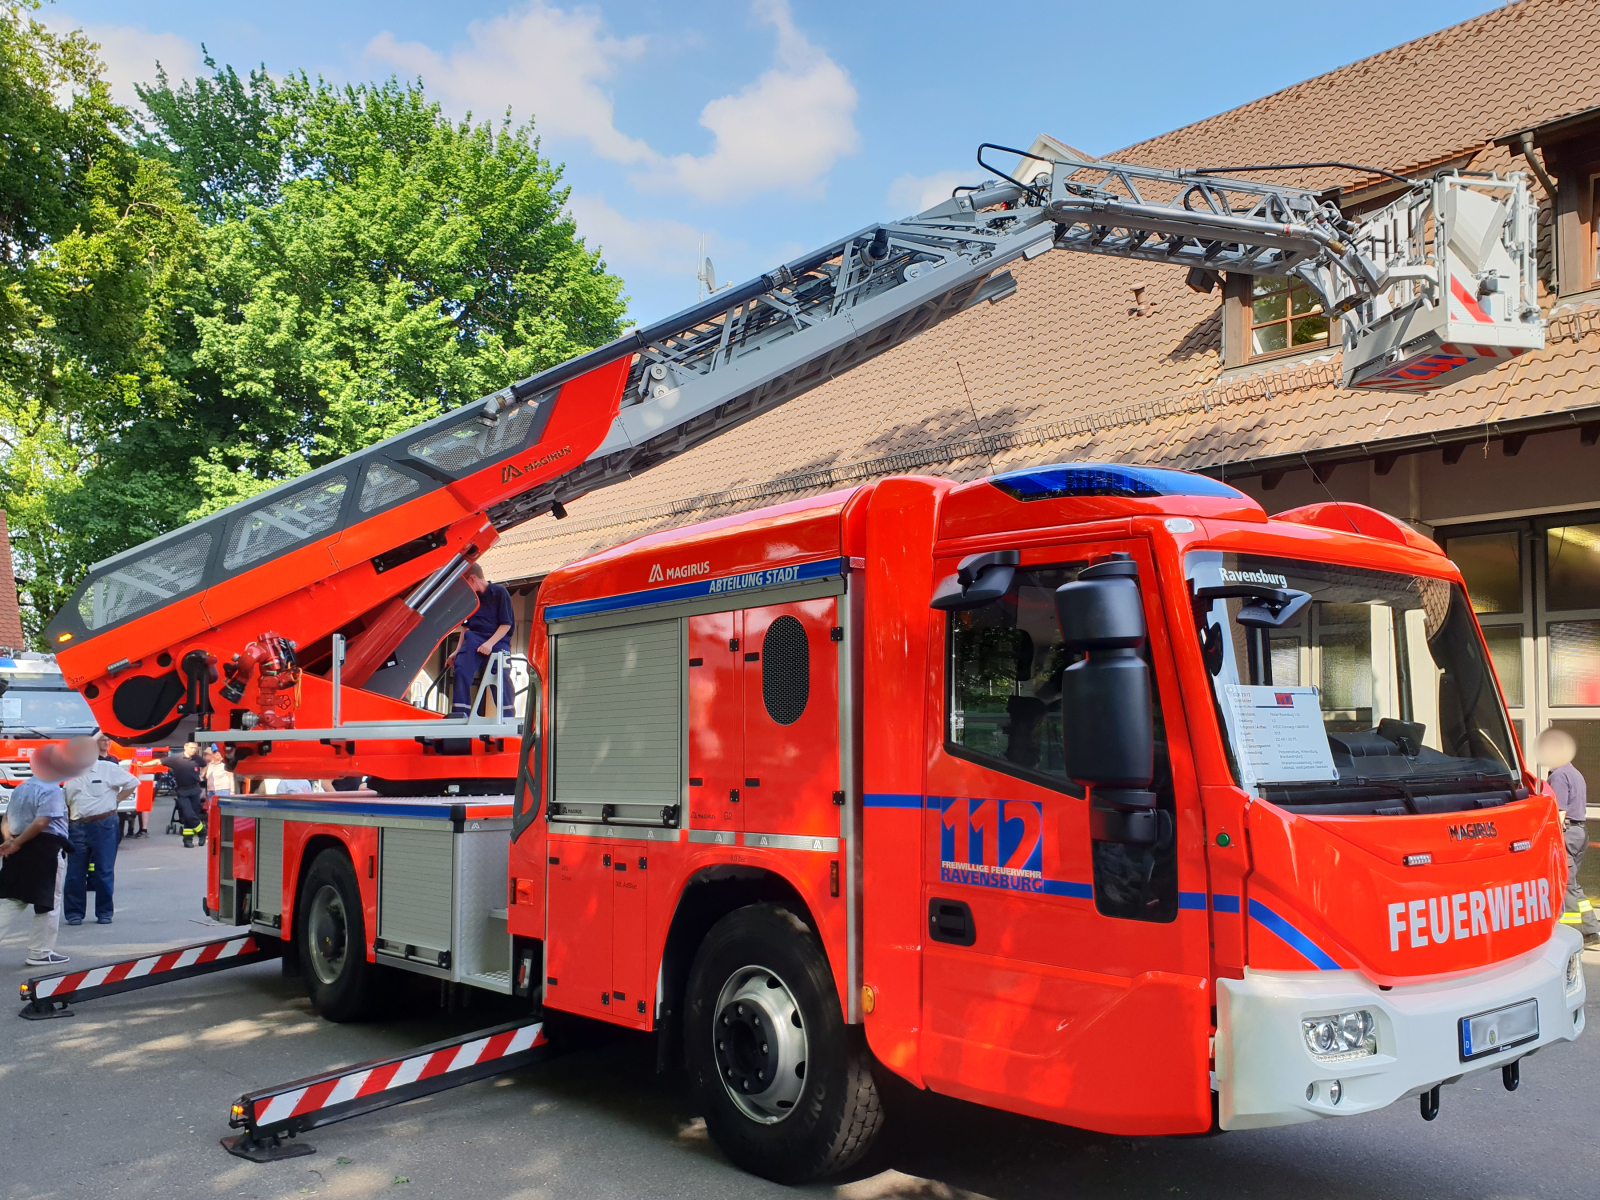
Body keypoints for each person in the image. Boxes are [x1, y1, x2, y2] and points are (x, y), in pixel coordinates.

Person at [0, 738, 96, 966]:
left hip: (18, 848)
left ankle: (40, 951)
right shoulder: (50, 790)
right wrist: (18, 842)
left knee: (13, 900)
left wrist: (9, 840)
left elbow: (6, 817)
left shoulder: (22, 788)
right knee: (48, 902)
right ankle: (40, 952)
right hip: (44, 851)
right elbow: (42, 822)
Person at [62, 734, 138, 926]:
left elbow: (133, 783)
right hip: (76, 825)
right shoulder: (70, 774)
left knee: (103, 871)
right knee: (74, 873)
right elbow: (66, 801)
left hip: (103, 824)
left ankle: (104, 912)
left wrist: (116, 801)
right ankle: (74, 913)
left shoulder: (107, 768)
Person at [1540, 729, 1599, 948]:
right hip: (1579, 832)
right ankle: (1591, 928)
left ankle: (1575, 932)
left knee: (1564, 883)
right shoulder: (1574, 773)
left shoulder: (1558, 776)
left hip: (1566, 833)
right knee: (1571, 883)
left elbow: (1559, 811)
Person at [448, 563, 515, 718]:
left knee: (500, 676)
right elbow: (466, 629)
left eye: (464, 583)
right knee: (461, 669)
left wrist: (490, 644)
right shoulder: (470, 600)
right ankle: (460, 713)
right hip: (474, 638)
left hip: (498, 640)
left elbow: (506, 625)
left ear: (472, 579)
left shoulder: (499, 592)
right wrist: (457, 652)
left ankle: (507, 716)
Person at [159, 742, 207, 847]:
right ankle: (202, 832)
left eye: (195, 748)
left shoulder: (197, 758)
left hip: (195, 789)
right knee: (188, 813)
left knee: (191, 815)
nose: (193, 750)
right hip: (182, 791)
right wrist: (142, 764)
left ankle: (187, 840)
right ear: (185, 747)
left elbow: (204, 765)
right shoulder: (176, 759)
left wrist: (202, 775)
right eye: (191, 748)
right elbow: (158, 761)